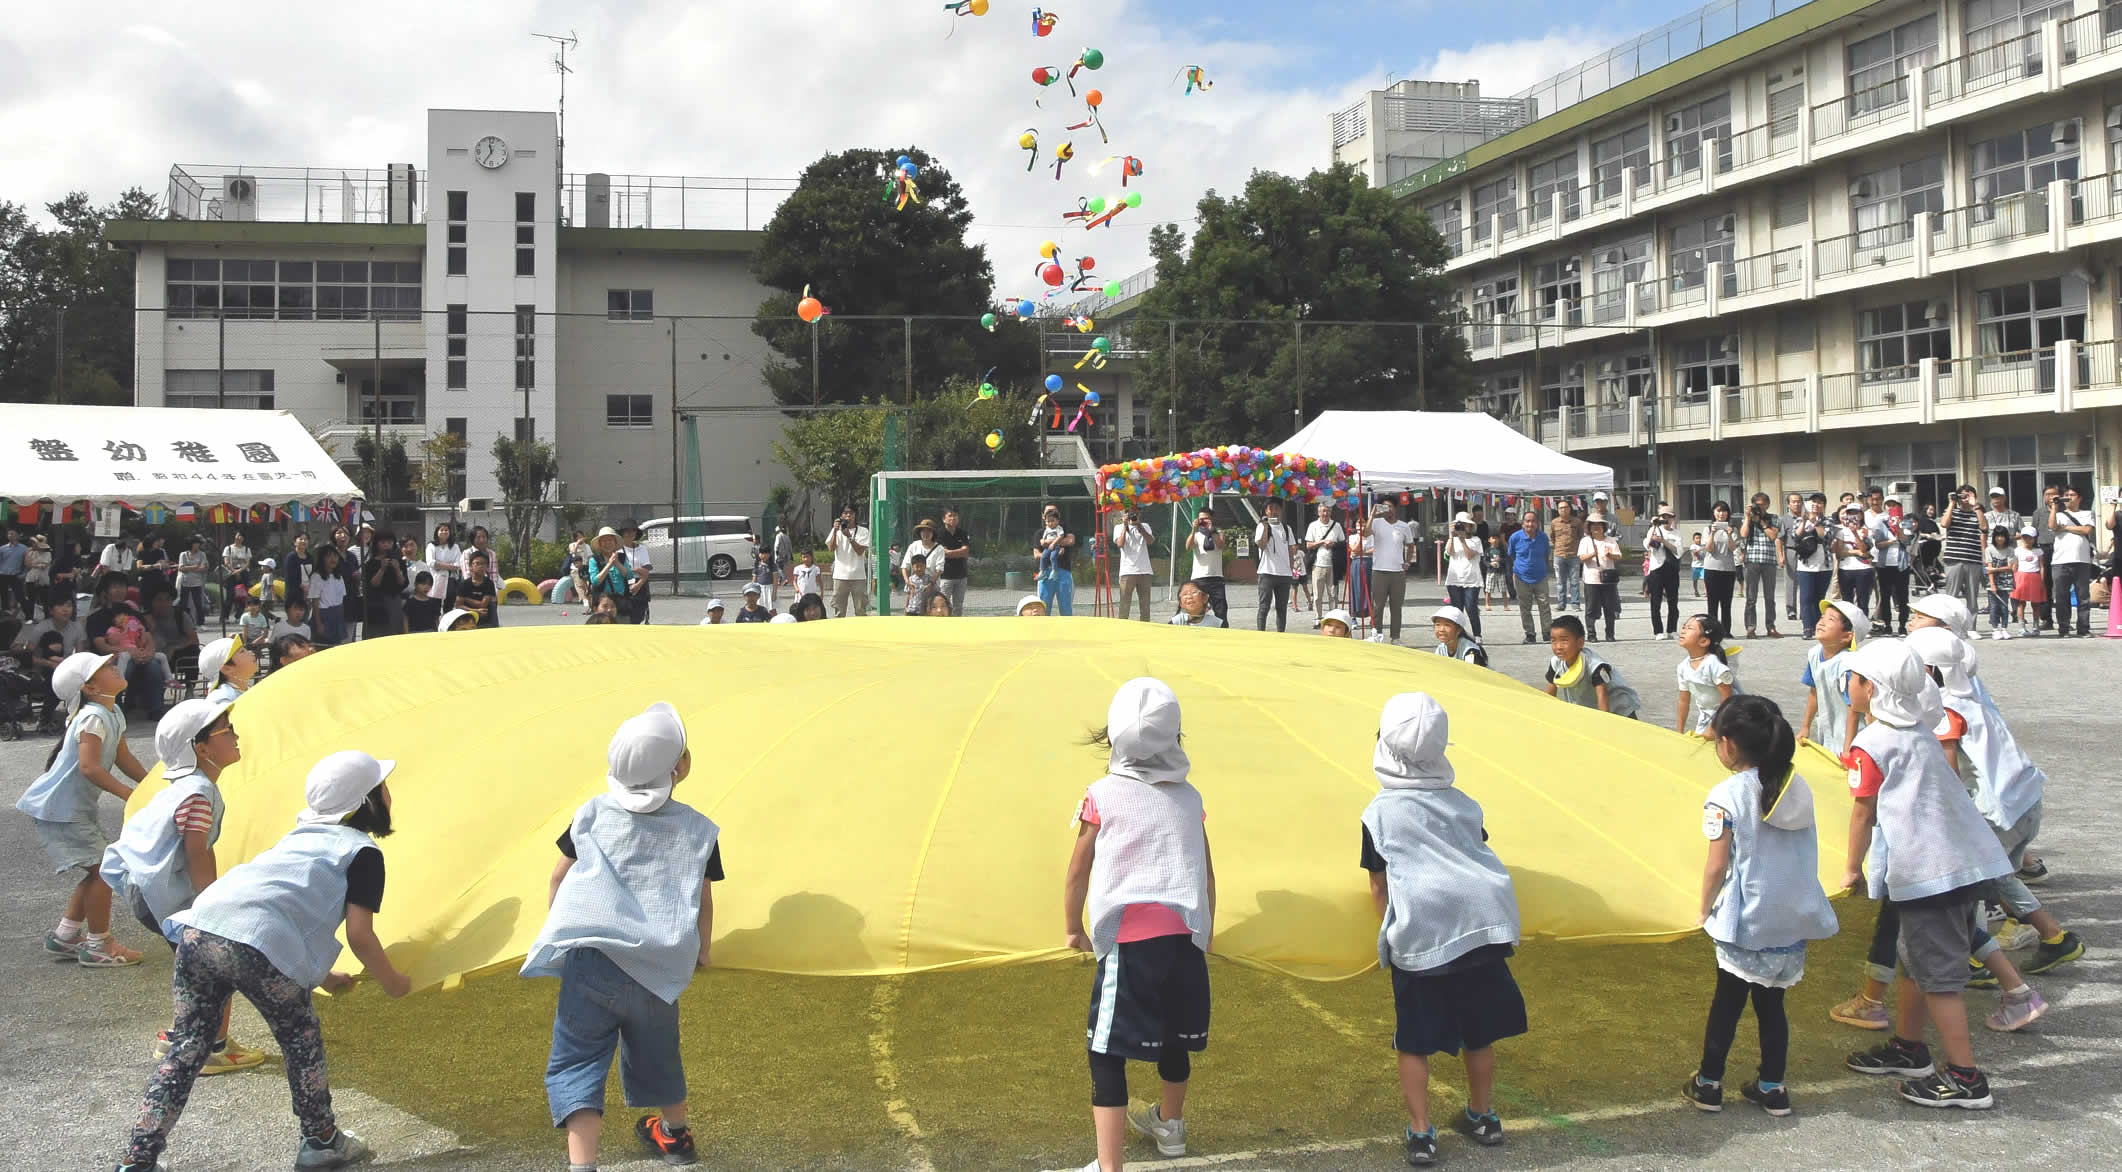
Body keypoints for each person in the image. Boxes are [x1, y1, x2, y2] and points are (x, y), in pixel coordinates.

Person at [117, 751, 413, 1170]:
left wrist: (321, 974)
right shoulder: (361, 853)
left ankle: (138, 1158)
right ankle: (322, 1141)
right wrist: (393, 982)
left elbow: (271, 909)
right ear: (367, 800)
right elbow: (359, 935)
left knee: (186, 1047)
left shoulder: (297, 836)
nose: (388, 793)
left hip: (200, 929)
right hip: (251, 945)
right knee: (300, 1038)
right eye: (382, 787)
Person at [523, 702, 721, 1171]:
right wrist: (704, 950)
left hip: (592, 962)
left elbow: (558, 877)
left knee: (578, 1063)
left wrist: (560, 930)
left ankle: (582, 1166)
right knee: (659, 1054)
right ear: (680, 769)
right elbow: (702, 899)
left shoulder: (591, 813)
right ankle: (674, 1133)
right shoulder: (698, 830)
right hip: (658, 969)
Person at [1838, 639, 2012, 1110]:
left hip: (1930, 871)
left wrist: (1851, 868)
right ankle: (1909, 1048)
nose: (1848, 684)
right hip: (1957, 864)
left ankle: (1965, 1078)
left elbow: (1862, 812)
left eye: (1854, 679)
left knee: (1939, 978)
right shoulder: (1918, 729)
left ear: (1870, 689)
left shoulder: (1872, 742)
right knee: (1913, 960)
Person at [1360, 692, 1524, 1165]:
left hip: (1423, 936)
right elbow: (1475, 847)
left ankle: (1421, 1131)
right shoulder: (1463, 803)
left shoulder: (1380, 814)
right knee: (1479, 1032)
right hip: (1481, 925)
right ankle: (1482, 1114)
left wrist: (1392, 932)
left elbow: (1379, 885)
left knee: (1414, 1040)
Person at [1063, 678, 1216, 1170]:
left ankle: (1109, 1166)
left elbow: (1078, 869)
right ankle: (1170, 1125)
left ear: (1113, 737)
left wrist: (1072, 927)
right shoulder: (1190, 798)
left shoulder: (1101, 794)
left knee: (1105, 1051)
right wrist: (1205, 932)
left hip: (1130, 945)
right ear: (1175, 737)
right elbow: (1206, 870)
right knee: (1173, 1035)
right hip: (1185, 941)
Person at [1683, 695, 1838, 1116]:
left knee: (1727, 1004)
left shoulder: (1726, 794)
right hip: (1789, 917)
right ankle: (1772, 1086)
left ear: (1728, 744)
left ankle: (1709, 1082)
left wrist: (1703, 909)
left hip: (1746, 918)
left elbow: (1717, 866)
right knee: (1772, 1007)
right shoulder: (1796, 785)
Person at [101, 698, 268, 1075]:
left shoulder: (189, 786)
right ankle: (211, 1047)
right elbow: (196, 851)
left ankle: (182, 1034)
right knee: (217, 961)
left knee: (195, 965)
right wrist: (212, 905)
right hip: (160, 893)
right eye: (227, 731)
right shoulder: (198, 792)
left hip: (149, 889)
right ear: (201, 747)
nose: (237, 736)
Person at [1906, 628, 2083, 977]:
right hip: (2025, 800)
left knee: (1971, 879)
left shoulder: (1944, 710)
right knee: (1998, 880)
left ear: (1928, 670)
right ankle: (2051, 937)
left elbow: (1950, 771)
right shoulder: (1970, 696)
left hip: (1998, 810)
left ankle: (1982, 957)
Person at [15, 650, 150, 966]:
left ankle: (66, 936)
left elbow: (122, 756)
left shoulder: (112, 711)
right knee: (103, 870)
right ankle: (99, 944)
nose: (113, 667)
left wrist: (150, 784)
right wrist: (129, 794)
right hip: (61, 811)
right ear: (88, 688)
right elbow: (90, 767)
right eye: (105, 667)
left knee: (96, 871)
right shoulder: (92, 717)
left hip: (71, 810)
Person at [86, 573, 168, 719]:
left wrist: (148, 651)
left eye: (122, 586)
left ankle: (155, 708)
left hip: (140, 655)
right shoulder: (96, 618)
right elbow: (102, 647)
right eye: (115, 587)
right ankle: (116, 708)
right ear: (105, 591)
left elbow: (148, 637)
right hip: (112, 660)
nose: (120, 590)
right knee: (125, 667)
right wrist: (130, 651)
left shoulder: (134, 613)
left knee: (154, 665)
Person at [1798, 600, 1868, 757]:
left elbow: (1854, 708)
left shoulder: (1847, 665)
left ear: (1847, 636)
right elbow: (1814, 692)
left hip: (1852, 737)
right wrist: (1805, 726)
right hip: (1828, 731)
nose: (1821, 622)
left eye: (1830, 620)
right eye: (1822, 617)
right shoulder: (1814, 654)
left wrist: (1847, 747)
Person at [1544, 616, 1640, 717]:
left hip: (1620, 709)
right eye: (1554, 641)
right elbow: (1550, 694)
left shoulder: (1594, 665)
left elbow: (1602, 695)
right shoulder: (1556, 663)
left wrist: (1606, 721)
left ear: (1580, 642)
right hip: (1590, 710)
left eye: (1564, 641)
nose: (1558, 647)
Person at [12, 595, 84, 730]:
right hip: (43, 669)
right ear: (50, 610)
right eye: (60, 606)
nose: (65, 609)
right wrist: (49, 663)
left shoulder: (77, 627)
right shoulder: (41, 628)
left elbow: (80, 654)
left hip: (67, 667)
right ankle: (45, 718)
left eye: (69, 605)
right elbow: (27, 657)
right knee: (55, 679)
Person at [1674, 615, 1738, 738]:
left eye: (1689, 628)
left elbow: (1728, 700)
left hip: (1729, 717)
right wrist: (1679, 731)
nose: (1683, 631)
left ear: (1703, 641)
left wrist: (1715, 727)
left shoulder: (1713, 665)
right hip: (1706, 719)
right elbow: (1683, 700)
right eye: (1684, 627)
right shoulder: (1682, 667)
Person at [2047, 486, 2098, 637]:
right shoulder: (2059, 514)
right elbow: (2052, 526)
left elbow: (2087, 530)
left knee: (2083, 597)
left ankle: (2083, 629)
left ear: (2079, 498)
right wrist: (2054, 508)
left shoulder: (2087, 513)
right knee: (2062, 597)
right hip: (2060, 561)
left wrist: (2066, 528)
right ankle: (2063, 628)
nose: (2069, 497)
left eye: (2072, 495)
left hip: (2082, 560)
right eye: (2066, 495)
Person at [1789, 496, 1835, 637]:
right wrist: (1804, 521)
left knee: (1818, 597)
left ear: (1824, 505)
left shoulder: (1828, 521)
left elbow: (1825, 537)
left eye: (1820, 503)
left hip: (1824, 565)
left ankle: (1817, 626)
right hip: (1805, 565)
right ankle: (1807, 628)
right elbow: (1795, 537)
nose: (1816, 505)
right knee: (1806, 597)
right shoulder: (1799, 520)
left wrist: (1815, 522)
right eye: (1814, 502)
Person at [1739, 493, 1784, 638]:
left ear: (1767, 504)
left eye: (1762, 504)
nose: (1759, 507)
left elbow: (1773, 536)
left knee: (1770, 597)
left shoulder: (1774, 518)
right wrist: (1748, 518)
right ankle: (1751, 628)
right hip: (1752, 560)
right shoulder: (1748, 518)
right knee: (1751, 597)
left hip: (1769, 561)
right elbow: (1744, 534)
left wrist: (1762, 522)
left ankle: (1770, 627)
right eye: (1756, 504)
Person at [1939, 485, 1986, 618]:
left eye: (1969, 495)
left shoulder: (1978, 512)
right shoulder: (1952, 511)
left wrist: (1975, 506)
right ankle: (1950, 624)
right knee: (1951, 596)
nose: (1965, 499)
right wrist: (1952, 503)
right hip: (1954, 558)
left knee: (1972, 596)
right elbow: (1944, 524)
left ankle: (1971, 628)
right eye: (1963, 496)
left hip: (1973, 559)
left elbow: (1984, 527)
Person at [1506, 512, 1553, 646]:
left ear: (1537, 523)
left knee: (1544, 606)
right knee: (1525, 607)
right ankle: (1530, 634)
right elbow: (1512, 555)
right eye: (1527, 521)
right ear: (1522, 523)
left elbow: (1545, 555)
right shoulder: (1515, 537)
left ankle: (1547, 632)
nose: (1530, 524)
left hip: (1540, 577)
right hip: (1521, 577)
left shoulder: (1543, 537)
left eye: (1532, 521)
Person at [1368, 501, 1411, 642]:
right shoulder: (1377, 522)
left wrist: (1408, 562)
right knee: (1377, 605)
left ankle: (1395, 637)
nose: (1388, 510)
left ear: (1395, 508)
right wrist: (1372, 515)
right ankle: (1377, 634)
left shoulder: (1404, 526)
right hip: (1379, 570)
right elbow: (1365, 533)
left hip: (1397, 572)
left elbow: (1410, 545)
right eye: (1385, 506)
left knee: (1396, 606)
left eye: (1390, 506)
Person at [1253, 500, 1297, 633]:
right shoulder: (1261, 526)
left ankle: (1281, 633)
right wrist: (1266, 526)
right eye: (1270, 508)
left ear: (1281, 511)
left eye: (1277, 508)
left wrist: (1291, 569)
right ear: (1266, 511)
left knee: (1282, 607)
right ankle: (1261, 633)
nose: (1274, 511)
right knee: (1264, 606)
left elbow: (1291, 549)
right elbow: (1261, 545)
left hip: (1284, 574)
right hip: (1267, 572)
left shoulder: (1286, 528)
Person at [1578, 515, 1622, 642]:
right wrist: (1593, 554)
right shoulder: (1585, 541)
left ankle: (1610, 634)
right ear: (1589, 528)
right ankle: (1591, 634)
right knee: (1591, 608)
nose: (1597, 528)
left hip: (1608, 579)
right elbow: (1581, 558)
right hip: (1591, 579)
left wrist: (1611, 555)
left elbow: (1619, 556)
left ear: (1604, 527)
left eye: (1599, 525)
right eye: (1593, 525)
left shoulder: (1611, 540)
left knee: (1610, 608)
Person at [1871, 498, 1911, 636]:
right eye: (1888, 505)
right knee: (1885, 595)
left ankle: (1902, 625)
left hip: (1901, 564)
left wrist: (1898, 527)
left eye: (1894, 505)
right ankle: (1887, 624)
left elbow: (1906, 542)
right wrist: (1891, 541)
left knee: (1902, 596)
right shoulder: (1880, 521)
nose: (1890, 508)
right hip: (1884, 564)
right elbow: (1878, 544)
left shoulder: (1906, 521)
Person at [1643, 504, 1683, 639]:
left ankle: (1672, 629)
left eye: (1669, 517)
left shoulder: (1676, 533)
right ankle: (1658, 631)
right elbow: (1647, 544)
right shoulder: (1654, 529)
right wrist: (1654, 526)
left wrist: (1664, 541)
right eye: (1663, 517)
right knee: (1655, 601)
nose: (1666, 520)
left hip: (1671, 568)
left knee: (1673, 601)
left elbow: (1678, 550)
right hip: (1656, 569)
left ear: (1673, 518)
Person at [1443, 513, 1484, 639]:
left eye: (1465, 525)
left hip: (1471, 580)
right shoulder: (1453, 540)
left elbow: (1470, 556)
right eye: (1459, 525)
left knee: (1471, 608)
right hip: (1454, 579)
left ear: (1470, 526)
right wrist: (1451, 536)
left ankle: (1477, 635)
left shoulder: (1476, 540)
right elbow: (1449, 553)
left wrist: (1463, 540)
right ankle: (1458, 635)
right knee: (1456, 610)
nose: (1462, 527)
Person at [827, 505, 872, 618]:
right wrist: (835, 531)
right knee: (839, 612)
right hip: (840, 575)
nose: (848, 516)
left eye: (851, 513)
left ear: (855, 515)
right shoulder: (836, 530)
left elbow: (860, 551)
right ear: (841, 515)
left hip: (858, 576)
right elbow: (831, 548)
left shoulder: (863, 531)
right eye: (845, 513)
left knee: (860, 610)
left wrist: (849, 537)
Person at [1034, 503, 1078, 617]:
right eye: (1048, 512)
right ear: (1043, 516)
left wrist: (1050, 543)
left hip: (1064, 572)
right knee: (1043, 607)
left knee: (1066, 608)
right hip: (1046, 573)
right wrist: (1049, 553)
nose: (1051, 514)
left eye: (1054, 511)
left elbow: (1070, 541)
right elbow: (1036, 554)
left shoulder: (1064, 527)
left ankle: (1067, 633)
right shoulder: (1040, 532)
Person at [1701, 502, 1739, 634]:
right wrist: (1712, 533)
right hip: (1711, 569)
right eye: (1718, 511)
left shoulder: (1732, 528)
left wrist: (1729, 534)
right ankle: (1712, 631)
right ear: (1713, 513)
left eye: (1724, 511)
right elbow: (1709, 549)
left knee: (1726, 602)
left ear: (1728, 513)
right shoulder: (1707, 529)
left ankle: (1726, 631)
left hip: (1728, 569)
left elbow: (1733, 548)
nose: (1721, 514)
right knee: (1712, 602)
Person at [1834, 504, 1876, 617]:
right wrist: (1856, 552)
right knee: (1847, 602)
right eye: (1850, 513)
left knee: (1863, 601)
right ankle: (1850, 627)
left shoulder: (1868, 531)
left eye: (1856, 513)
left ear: (1861, 515)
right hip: (1845, 569)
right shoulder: (1841, 532)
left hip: (1864, 569)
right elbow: (1839, 553)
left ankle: (1863, 626)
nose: (1853, 516)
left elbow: (1864, 549)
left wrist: (1855, 533)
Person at [1112, 508, 1154, 623]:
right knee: (1124, 604)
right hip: (1127, 571)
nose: (1132, 516)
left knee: (1145, 605)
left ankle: (1145, 629)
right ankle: (1123, 628)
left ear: (1139, 513)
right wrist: (1125, 526)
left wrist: (1139, 526)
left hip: (1144, 570)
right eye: (1128, 513)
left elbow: (1150, 541)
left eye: (1134, 513)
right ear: (1123, 514)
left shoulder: (1145, 526)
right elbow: (1120, 544)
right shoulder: (1119, 527)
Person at [1185, 510, 1227, 625]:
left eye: (1206, 518)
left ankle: (1224, 636)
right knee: (1197, 611)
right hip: (1199, 578)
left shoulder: (1219, 533)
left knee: (1221, 611)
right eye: (1201, 519)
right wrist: (1193, 529)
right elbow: (1188, 547)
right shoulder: (1196, 535)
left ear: (1212, 519)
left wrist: (1212, 531)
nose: (1203, 521)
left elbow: (1221, 545)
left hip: (1216, 577)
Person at [583, 528, 634, 618]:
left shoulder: (621, 558)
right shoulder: (594, 560)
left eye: (610, 540)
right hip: (603, 604)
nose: (607, 543)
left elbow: (629, 575)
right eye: (604, 541)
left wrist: (617, 563)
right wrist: (609, 564)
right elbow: (595, 581)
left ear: (615, 542)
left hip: (621, 602)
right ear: (600, 544)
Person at [1304, 503, 1345, 616]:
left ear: (1331, 512)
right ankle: (1318, 617)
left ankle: (1332, 617)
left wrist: (1333, 544)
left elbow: (1342, 543)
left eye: (1328, 511)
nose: (1325, 513)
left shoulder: (1337, 526)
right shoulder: (1313, 525)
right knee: (1317, 595)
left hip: (1333, 564)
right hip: (1318, 565)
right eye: (1323, 511)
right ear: (1319, 512)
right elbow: (1308, 545)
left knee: (1333, 594)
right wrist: (1321, 542)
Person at [364, 532, 407, 637]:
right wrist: (382, 569)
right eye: (383, 542)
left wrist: (397, 569)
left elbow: (403, 583)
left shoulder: (399, 561)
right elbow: (373, 584)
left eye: (389, 542)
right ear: (377, 544)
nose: (386, 545)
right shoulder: (371, 563)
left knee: (395, 630)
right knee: (378, 631)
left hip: (394, 599)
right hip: (377, 601)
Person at [447, 550, 502, 629]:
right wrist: (474, 611)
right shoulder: (464, 584)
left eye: (483, 564)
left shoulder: (489, 583)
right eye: (477, 563)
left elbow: (483, 605)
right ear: (470, 566)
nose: (480, 566)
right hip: (467, 621)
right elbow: (458, 605)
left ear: (487, 566)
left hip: (486, 620)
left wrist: (465, 598)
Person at [934, 508, 972, 616]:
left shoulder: (962, 533)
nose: (953, 518)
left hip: (961, 576)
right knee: (942, 604)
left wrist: (949, 552)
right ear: (944, 519)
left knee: (958, 606)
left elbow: (966, 552)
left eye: (955, 515)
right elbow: (942, 553)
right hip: (945, 576)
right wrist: (959, 552)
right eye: (950, 515)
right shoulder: (939, 534)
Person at [2008, 527, 2044, 638]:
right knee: (2021, 603)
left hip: (2035, 576)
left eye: (2030, 538)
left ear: (2034, 539)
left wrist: (2042, 580)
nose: (2027, 540)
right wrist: (2013, 579)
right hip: (2021, 576)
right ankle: (2022, 627)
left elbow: (2041, 566)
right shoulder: (2017, 550)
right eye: (2025, 537)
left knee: (2036, 604)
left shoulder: (2038, 551)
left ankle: (2036, 626)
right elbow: (2015, 565)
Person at [198, 635, 256, 704]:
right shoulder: (224, 700)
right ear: (226, 669)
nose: (250, 653)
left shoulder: (244, 689)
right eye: (242, 651)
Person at [1549, 500, 1584, 611]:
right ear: (1558, 510)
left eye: (1565, 507)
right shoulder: (1554, 522)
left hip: (1573, 555)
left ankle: (1575, 603)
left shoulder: (1577, 522)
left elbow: (1580, 536)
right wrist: (1559, 547)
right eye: (1560, 508)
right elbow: (1552, 537)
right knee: (1560, 582)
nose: (1563, 510)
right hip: (1559, 555)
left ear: (1569, 509)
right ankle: (1561, 604)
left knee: (1574, 581)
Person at [619, 522, 656, 625]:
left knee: (638, 616)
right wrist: (637, 570)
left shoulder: (642, 549)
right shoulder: (618, 550)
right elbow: (620, 571)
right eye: (627, 531)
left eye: (633, 530)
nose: (630, 533)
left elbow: (646, 570)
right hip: (623, 584)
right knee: (624, 616)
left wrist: (638, 584)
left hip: (640, 583)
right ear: (622, 533)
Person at [1981, 527, 2014, 639]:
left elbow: (2010, 568)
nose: (2000, 539)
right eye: (1998, 536)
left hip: (2006, 581)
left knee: (2004, 606)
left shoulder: (2010, 550)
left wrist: (1995, 570)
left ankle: (2004, 628)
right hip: (1992, 582)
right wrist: (1992, 584)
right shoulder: (1989, 550)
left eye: (2002, 536)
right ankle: (1995, 629)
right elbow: (1989, 568)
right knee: (1994, 606)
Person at [311, 546, 348, 645]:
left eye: (335, 556)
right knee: (323, 644)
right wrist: (319, 623)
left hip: (337, 613)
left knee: (337, 645)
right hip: (323, 614)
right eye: (329, 556)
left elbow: (341, 599)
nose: (333, 559)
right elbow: (315, 601)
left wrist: (341, 618)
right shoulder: (317, 577)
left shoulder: (339, 577)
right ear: (322, 559)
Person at [174, 536, 210, 628]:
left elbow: (203, 567)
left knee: (198, 603)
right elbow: (181, 568)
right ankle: (183, 622)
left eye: (198, 543)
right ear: (191, 544)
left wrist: (189, 568)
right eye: (196, 543)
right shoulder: (183, 554)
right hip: (185, 582)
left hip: (197, 582)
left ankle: (201, 623)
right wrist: (195, 567)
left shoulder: (202, 554)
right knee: (183, 604)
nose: (197, 545)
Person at [216, 532, 250, 625]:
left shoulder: (246, 549)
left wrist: (239, 571)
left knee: (243, 596)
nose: (240, 537)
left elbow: (247, 563)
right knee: (230, 596)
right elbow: (226, 562)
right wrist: (234, 571)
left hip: (243, 573)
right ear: (234, 536)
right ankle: (224, 617)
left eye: (241, 536)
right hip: (231, 573)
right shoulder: (228, 548)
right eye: (238, 535)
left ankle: (238, 616)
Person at [425, 522, 463, 600]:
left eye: (446, 530)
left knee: (449, 606)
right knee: (435, 603)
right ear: (437, 532)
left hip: (451, 580)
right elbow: (430, 562)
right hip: (435, 579)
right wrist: (450, 565)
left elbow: (458, 565)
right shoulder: (431, 546)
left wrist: (438, 564)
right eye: (441, 530)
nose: (444, 532)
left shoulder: (455, 547)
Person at [902, 553, 939, 617]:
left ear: (925, 566)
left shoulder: (929, 579)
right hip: (911, 609)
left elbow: (936, 592)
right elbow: (908, 594)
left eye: (921, 566)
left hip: (925, 610)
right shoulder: (910, 580)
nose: (919, 569)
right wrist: (906, 607)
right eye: (917, 566)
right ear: (913, 567)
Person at [0, 526, 25, 618]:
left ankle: (27, 614)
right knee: (3, 595)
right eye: (9, 534)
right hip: (3, 574)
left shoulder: (23, 548)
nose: (10, 535)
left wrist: (23, 574)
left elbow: (26, 563)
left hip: (15, 575)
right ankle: (5, 613)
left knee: (20, 595)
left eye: (13, 534)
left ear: (18, 536)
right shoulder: (2, 548)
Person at [1689, 531, 1707, 599]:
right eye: (1696, 538)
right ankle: (1696, 591)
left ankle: (1706, 591)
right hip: (1695, 566)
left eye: (1699, 538)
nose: (1698, 539)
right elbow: (1694, 553)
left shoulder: (1703, 545)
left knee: (1705, 579)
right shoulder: (1693, 546)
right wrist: (1700, 549)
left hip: (1703, 565)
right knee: (1695, 579)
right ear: (1693, 539)